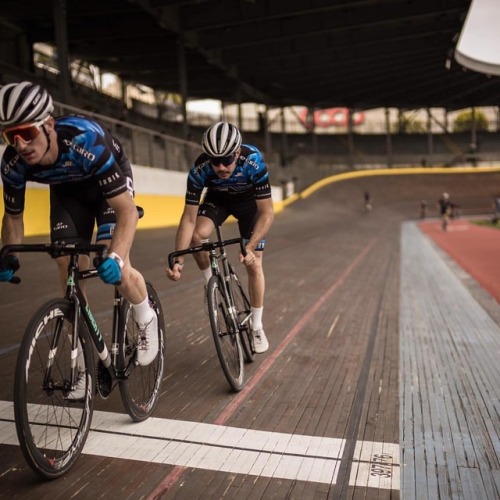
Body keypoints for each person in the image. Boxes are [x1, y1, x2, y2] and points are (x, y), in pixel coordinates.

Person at [0, 81, 158, 382]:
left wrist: (117, 257)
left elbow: (126, 212)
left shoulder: (87, 140)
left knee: (115, 265)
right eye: (11, 136)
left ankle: (144, 315)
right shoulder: (13, 163)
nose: (20, 144)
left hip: (107, 188)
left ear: (48, 124)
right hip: (67, 193)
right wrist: (9, 255)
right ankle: (83, 362)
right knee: (67, 267)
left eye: (28, 133)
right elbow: (13, 217)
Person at [166, 122, 274, 353]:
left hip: (249, 205)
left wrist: (250, 247)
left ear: (237, 153)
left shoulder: (254, 162)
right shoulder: (199, 169)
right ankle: (210, 285)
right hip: (218, 201)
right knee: (196, 235)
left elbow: (267, 213)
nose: (222, 167)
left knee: (255, 263)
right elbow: (188, 219)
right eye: (215, 161)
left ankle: (256, 325)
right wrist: (179, 261)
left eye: (226, 160)